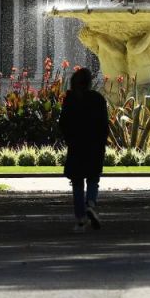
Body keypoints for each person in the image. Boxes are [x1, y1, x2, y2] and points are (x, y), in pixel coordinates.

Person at [59, 67, 109, 232]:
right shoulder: (98, 99)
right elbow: (104, 125)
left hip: (77, 145)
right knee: (93, 179)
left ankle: (81, 218)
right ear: (90, 82)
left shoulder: (71, 99)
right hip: (94, 145)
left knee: (77, 182)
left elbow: (63, 123)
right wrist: (102, 143)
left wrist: (69, 140)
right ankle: (91, 203)